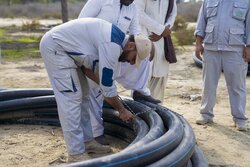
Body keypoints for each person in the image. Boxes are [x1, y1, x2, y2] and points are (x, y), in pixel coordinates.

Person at [39, 18, 152, 162]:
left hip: (69, 53)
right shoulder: (112, 45)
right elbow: (107, 89)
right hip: (56, 48)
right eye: (133, 58)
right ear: (130, 46)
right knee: (71, 100)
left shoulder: (115, 40)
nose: (130, 62)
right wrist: (122, 110)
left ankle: (87, 142)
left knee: (85, 96)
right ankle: (75, 153)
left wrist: (107, 87)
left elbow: (89, 70)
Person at [78, 0, 161, 145]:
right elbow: (82, 23)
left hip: (119, 51)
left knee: (144, 54)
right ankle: (96, 132)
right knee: (95, 89)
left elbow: (136, 33)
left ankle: (140, 92)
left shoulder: (132, 8)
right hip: (95, 51)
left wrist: (148, 44)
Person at [195, 0, 250, 131]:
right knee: (208, 84)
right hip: (211, 48)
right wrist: (198, 44)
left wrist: (249, 46)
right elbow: (201, 22)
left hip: (235, 49)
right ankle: (206, 114)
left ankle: (240, 119)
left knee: (237, 86)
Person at [134, 0, 177, 102]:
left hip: (162, 41)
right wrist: (159, 29)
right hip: (144, 40)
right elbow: (138, 13)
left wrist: (164, 30)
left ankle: (156, 115)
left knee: (160, 80)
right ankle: (140, 115)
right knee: (142, 82)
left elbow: (172, 14)